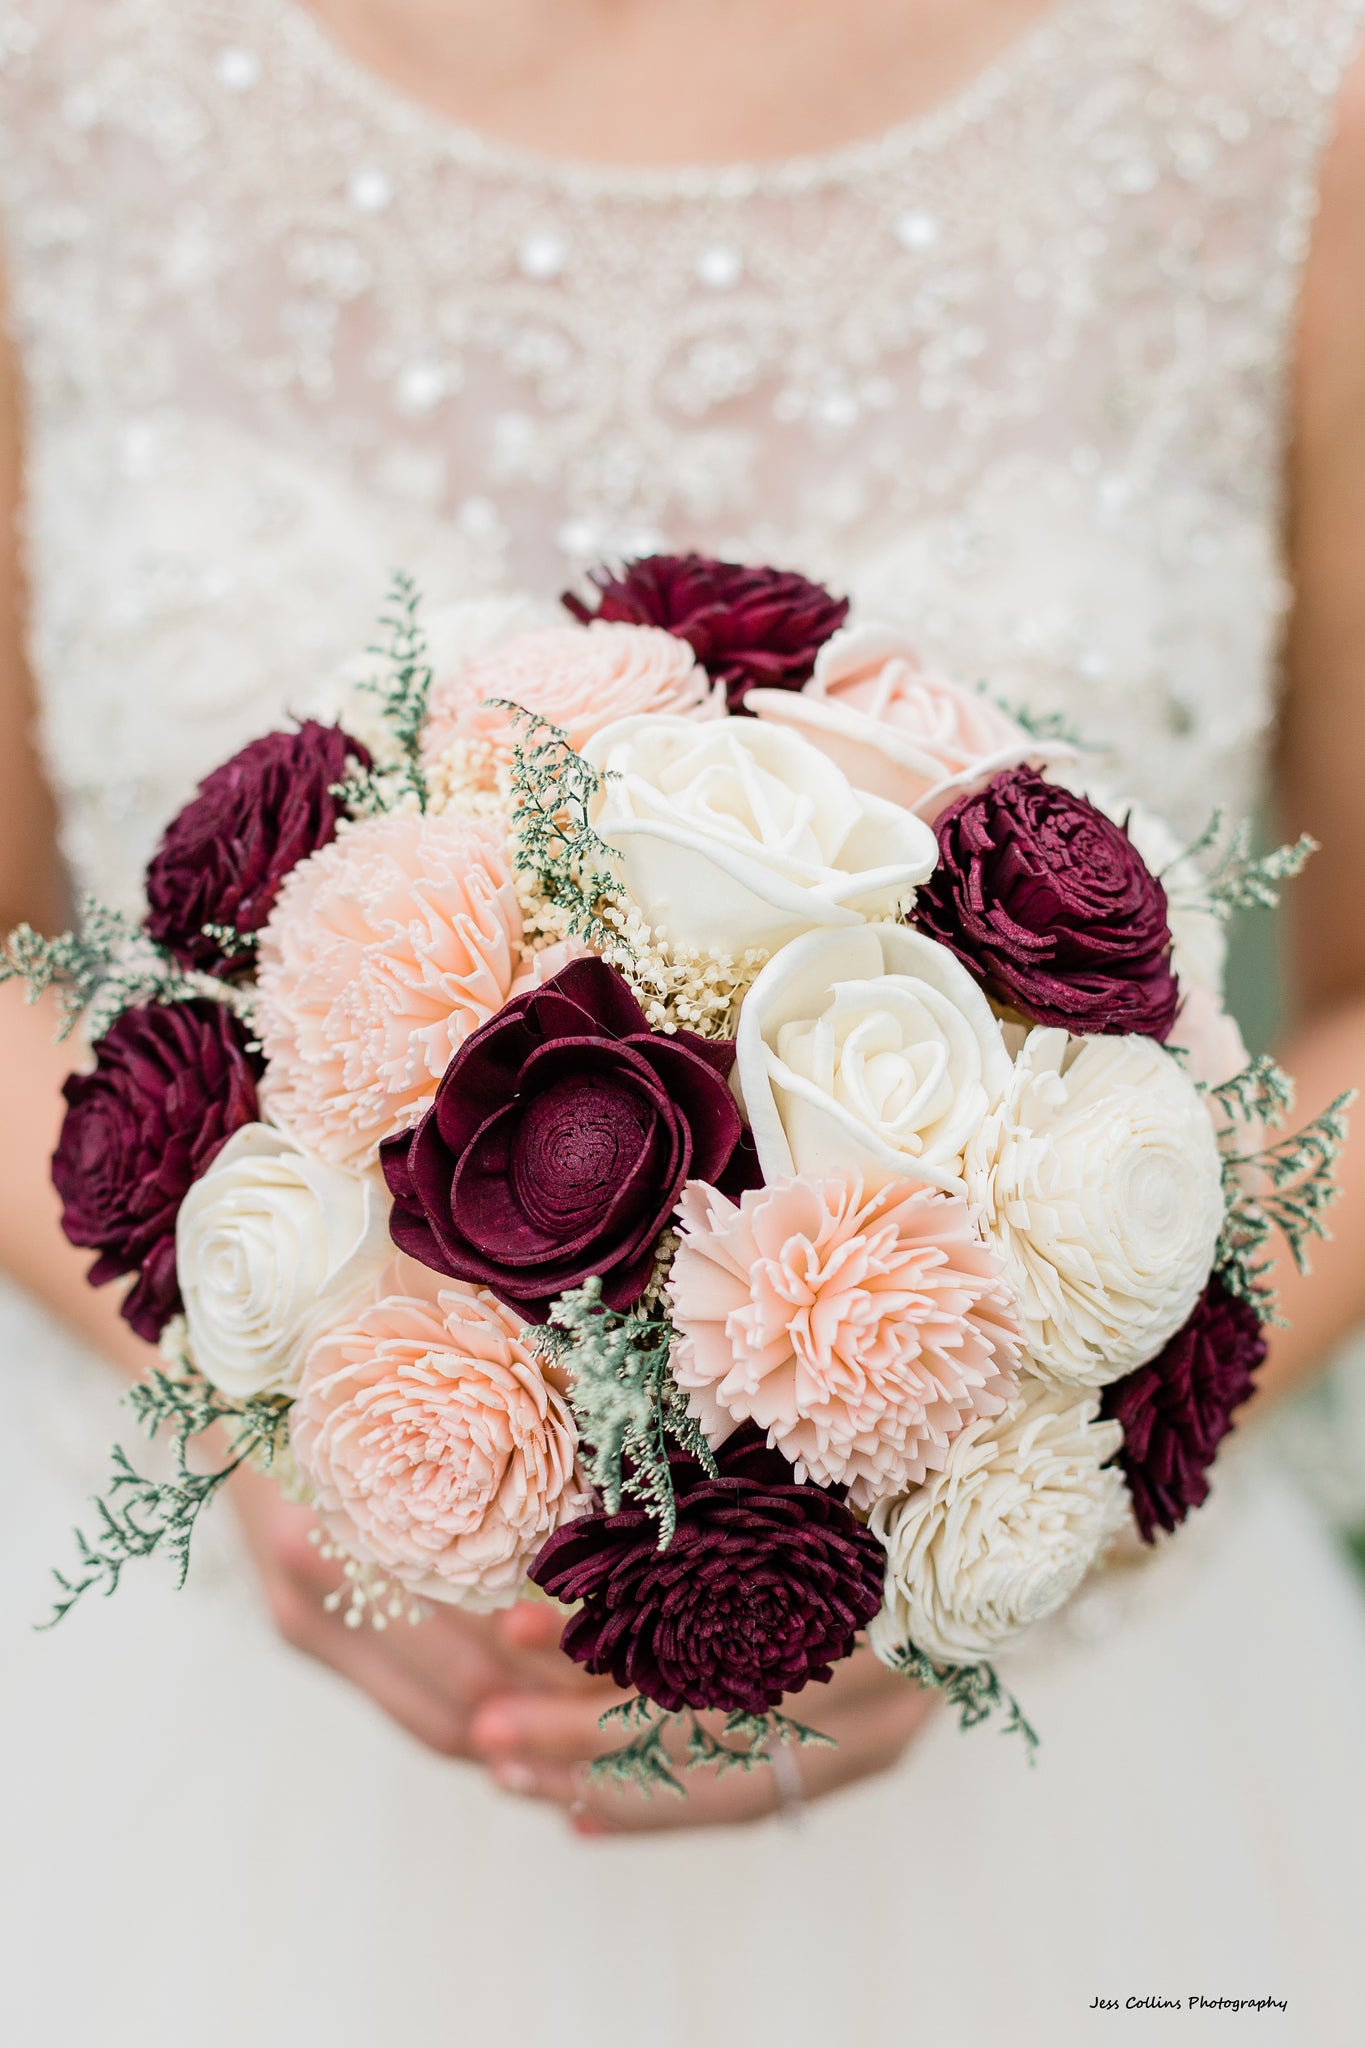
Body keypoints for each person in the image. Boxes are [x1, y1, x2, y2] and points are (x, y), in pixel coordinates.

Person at [2, 2, 1365, 2041]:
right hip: (193, 1728)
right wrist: (259, 1389)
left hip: (1060, 1795)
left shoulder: (1271, 84)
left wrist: (1031, 1490)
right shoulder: (57, 71)